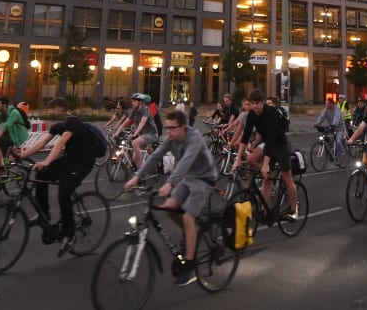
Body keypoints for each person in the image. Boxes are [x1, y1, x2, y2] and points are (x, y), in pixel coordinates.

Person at [123, 110, 218, 286]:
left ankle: (190, 266)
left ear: (183, 127)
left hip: (204, 179)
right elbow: (156, 155)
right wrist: (137, 176)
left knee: (188, 218)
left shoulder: (194, 138)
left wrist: (170, 183)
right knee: (169, 208)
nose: (169, 132)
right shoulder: (171, 139)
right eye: (167, 128)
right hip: (188, 177)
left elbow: (186, 162)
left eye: (173, 128)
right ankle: (189, 237)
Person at [13, 97, 93, 256]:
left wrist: (47, 161)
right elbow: (41, 143)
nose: (49, 115)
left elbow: (61, 142)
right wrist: (22, 156)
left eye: (52, 110)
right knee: (41, 173)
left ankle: (69, 235)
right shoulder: (59, 125)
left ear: (60, 109)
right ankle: (44, 212)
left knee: (63, 194)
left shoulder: (73, 121)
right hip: (69, 160)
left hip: (82, 163)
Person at [232, 89, 298, 220]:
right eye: (252, 103)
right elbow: (245, 138)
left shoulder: (271, 114)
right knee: (266, 179)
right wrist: (238, 159)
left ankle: (294, 210)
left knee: (287, 178)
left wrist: (266, 164)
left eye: (257, 103)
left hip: (280, 144)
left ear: (262, 103)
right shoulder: (251, 115)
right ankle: (265, 210)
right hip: (268, 144)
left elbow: (272, 140)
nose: (254, 106)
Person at [126, 93, 159, 170]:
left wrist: (135, 134)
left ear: (140, 102)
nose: (132, 102)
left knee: (138, 145)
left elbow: (142, 122)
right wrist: (117, 130)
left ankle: (141, 172)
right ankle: (144, 169)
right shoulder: (135, 111)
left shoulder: (148, 109)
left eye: (134, 101)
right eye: (132, 101)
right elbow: (128, 122)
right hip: (143, 134)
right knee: (134, 157)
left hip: (152, 133)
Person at [314, 96, 346, 164]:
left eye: (327, 104)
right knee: (325, 136)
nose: (326, 105)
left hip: (339, 128)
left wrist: (333, 124)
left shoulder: (336, 109)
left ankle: (341, 154)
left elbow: (336, 118)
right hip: (332, 127)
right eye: (326, 103)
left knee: (338, 141)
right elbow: (321, 117)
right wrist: (317, 124)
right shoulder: (326, 109)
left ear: (332, 104)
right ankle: (331, 149)